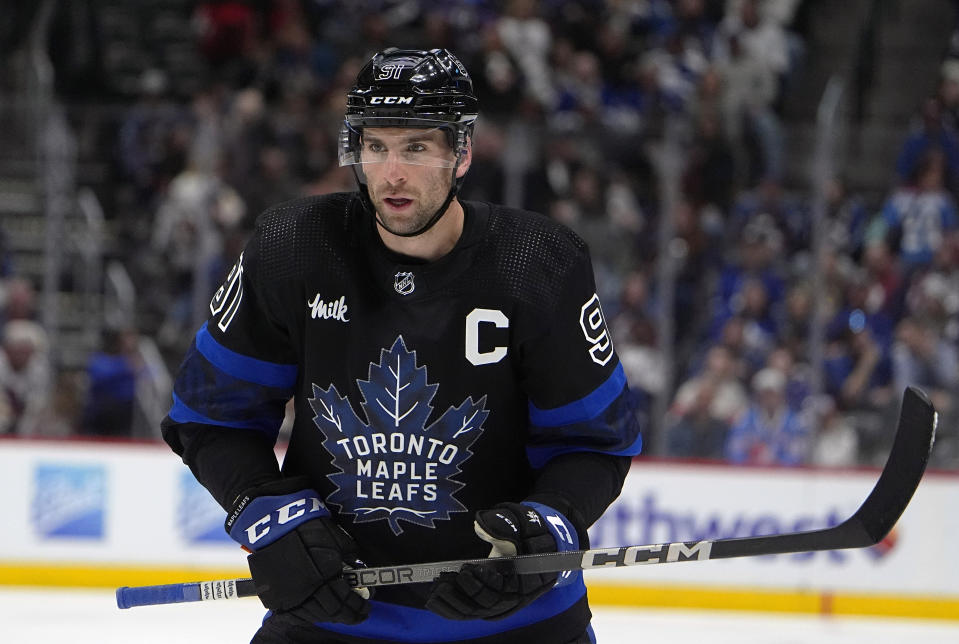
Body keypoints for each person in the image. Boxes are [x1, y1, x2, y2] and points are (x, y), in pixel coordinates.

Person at [161, 48, 643, 644]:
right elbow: (210, 417)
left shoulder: (536, 265)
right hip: (335, 615)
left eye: (416, 147)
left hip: (519, 623)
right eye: (375, 146)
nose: (391, 173)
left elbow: (596, 442)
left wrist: (550, 525)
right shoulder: (294, 248)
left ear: (461, 153)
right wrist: (266, 512)